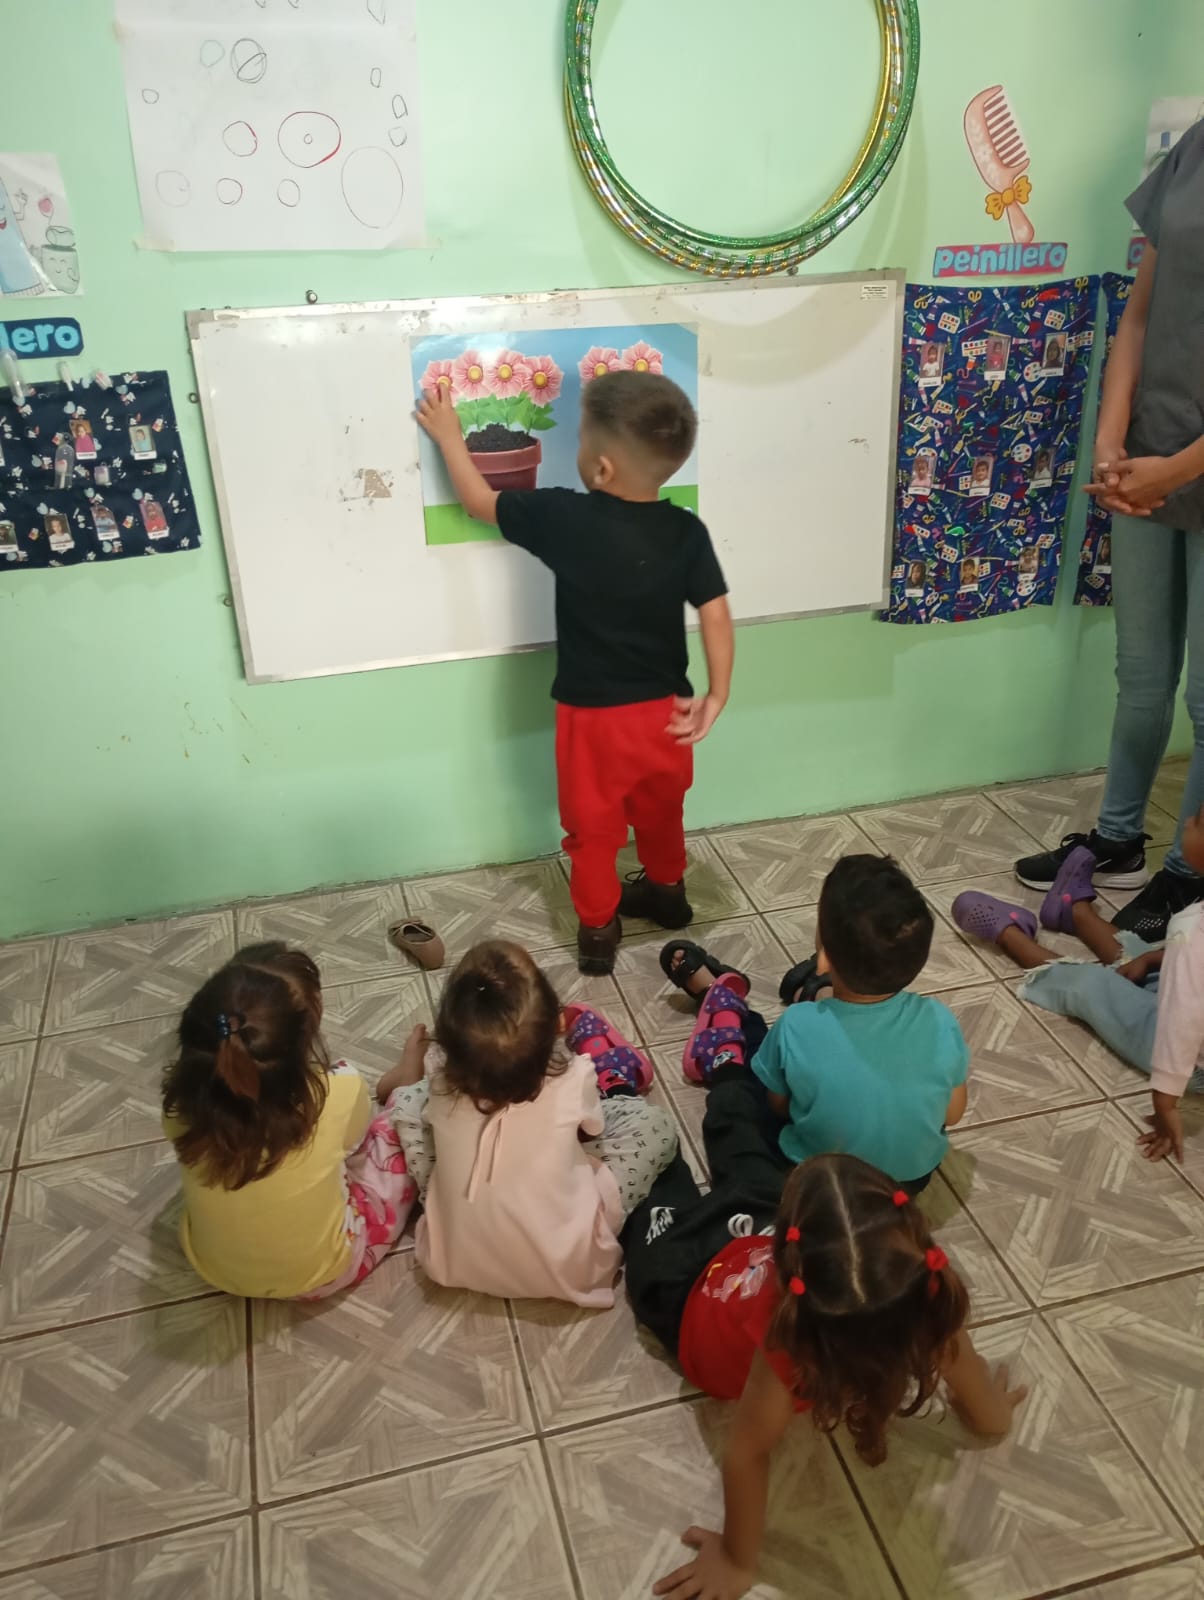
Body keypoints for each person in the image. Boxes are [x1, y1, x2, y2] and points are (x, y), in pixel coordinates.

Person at [623, 1085, 1026, 1600]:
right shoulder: (929, 1293)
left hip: (688, 1297)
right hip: (750, 1243)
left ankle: (630, 1095)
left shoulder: (786, 1343)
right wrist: (993, 1415)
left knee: (657, 1202)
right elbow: (984, 1403)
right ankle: (728, 1075)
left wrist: (737, 1559)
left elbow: (746, 1454)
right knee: (749, 1169)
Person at [417, 371, 733, 975]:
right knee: (662, 811)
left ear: (603, 468)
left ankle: (597, 930)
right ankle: (669, 895)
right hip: (669, 713)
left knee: (594, 831)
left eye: (582, 439)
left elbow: (479, 502)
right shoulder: (686, 531)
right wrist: (717, 694)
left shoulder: (564, 516)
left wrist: (451, 437)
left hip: (593, 721)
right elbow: (715, 611)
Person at [1027, 119, 1204, 938]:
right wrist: (1111, 439)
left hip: (1181, 466)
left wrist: (1175, 469)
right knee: (1140, 672)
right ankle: (1119, 837)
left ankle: (1189, 874)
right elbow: (1138, 316)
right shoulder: (1192, 150)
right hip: (1145, 455)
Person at [378, 939, 678, 1307]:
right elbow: (593, 1129)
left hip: (451, 1257)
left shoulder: (439, 1085)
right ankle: (616, 1080)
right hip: (572, 1265)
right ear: (559, 1025)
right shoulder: (575, 1077)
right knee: (652, 1123)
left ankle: (403, 1080)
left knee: (410, 1104)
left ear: (448, 1045)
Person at [660, 855, 969, 1194]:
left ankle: (726, 1010)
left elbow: (779, 1107)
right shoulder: (940, 1019)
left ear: (824, 959)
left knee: (749, 1083)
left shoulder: (796, 1024)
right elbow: (952, 1114)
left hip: (819, 1181)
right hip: (908, 1182)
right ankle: (816, 991)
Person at [161, 942, 417, 1299]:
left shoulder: (178, 1110)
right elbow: (358, 1142)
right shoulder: (338, 1092)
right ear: (303, 1044)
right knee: (399, 1133)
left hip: (216, 1269)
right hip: (323, 1273)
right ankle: (406, 1087)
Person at [954, 814, 1204, 1162]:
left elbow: (1181, 1031)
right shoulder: (1193, 931)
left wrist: (1165, 1103)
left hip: (1188, 1055)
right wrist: (1152, 960)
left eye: (1199, 821)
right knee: (1143, 958)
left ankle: (1010, 934)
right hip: (1190, 997)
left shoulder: (1193, 930)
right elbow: (1188, 960)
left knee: (1094, 986)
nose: (1187, 820)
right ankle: (1074, 911)